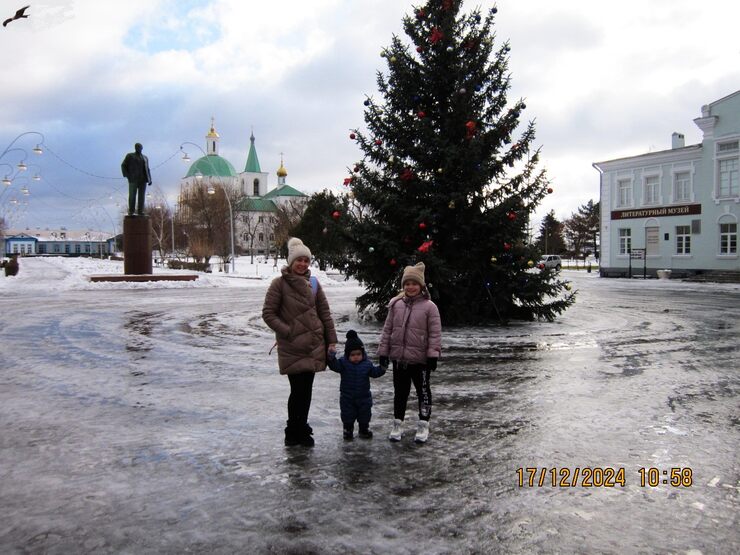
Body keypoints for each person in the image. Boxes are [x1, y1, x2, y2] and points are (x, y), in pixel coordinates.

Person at [262, 237, 338, 447]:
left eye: (306, 260)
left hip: (313, 345)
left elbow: (325, 313)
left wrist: (331, 340)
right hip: (293, 346)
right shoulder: (279, 284)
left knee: (306, 391)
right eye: (299, 260)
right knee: (298, 391)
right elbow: (268, 314)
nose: (303, 264)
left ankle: (300, 427)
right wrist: (289, 331)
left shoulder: (313, 283)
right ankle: (293, 430)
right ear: (291, 261)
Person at [378, 262, 442, 443]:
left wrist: (432, 355)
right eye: (407, 283)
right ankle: (397, 423)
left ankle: (423, 424)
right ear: (403, 285)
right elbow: (387, 329)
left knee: (423, 392)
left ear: (421, 285)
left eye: (414, 283)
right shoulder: (396, 305)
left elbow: (435, 333)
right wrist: (384, 352)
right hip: (400, 359)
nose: (410, 287)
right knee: (400, 392)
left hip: (420, 361)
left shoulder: (430, 307)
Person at [328, 330, 387, 440]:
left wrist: (383, 367)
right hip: (347, 397)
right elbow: (334, 366)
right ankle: (347, 430)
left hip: (364, 397)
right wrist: (331, 357)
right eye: (353, 355)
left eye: (358, 354)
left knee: (365, 415)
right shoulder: (343, 363)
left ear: (363, 353)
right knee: (347, 415)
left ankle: (363, 430)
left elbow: (375, 373)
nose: (356, 357)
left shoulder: (367, 364)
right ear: (347, 355)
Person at [121, 142, 152, 216]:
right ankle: (131, 211)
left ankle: (140, 211)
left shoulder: (145, 158)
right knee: (132, 196)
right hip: (133, 179)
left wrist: (150, 179)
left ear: (142, 148)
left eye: (139, 147)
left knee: (142, 196)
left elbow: (147, 169)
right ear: (135, 148)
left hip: (143, 179)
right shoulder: (130, 156)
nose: (138, 148)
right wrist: (127, 175)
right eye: (137, 147)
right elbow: (123, 165)